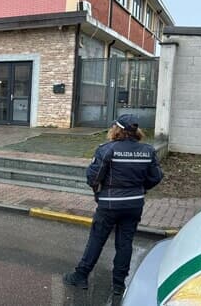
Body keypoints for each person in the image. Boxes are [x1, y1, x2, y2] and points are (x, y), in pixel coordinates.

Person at [63, 114, 163, 296]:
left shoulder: (107, 149)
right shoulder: (148, 151)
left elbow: (93, 177)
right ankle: (118, 284)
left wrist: (98, 193)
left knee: (97, 239)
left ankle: (81, 275)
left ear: (116, 129)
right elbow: (155, 177)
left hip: (109, 204)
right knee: (125, 243)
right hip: (134, 204)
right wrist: (139, 189)